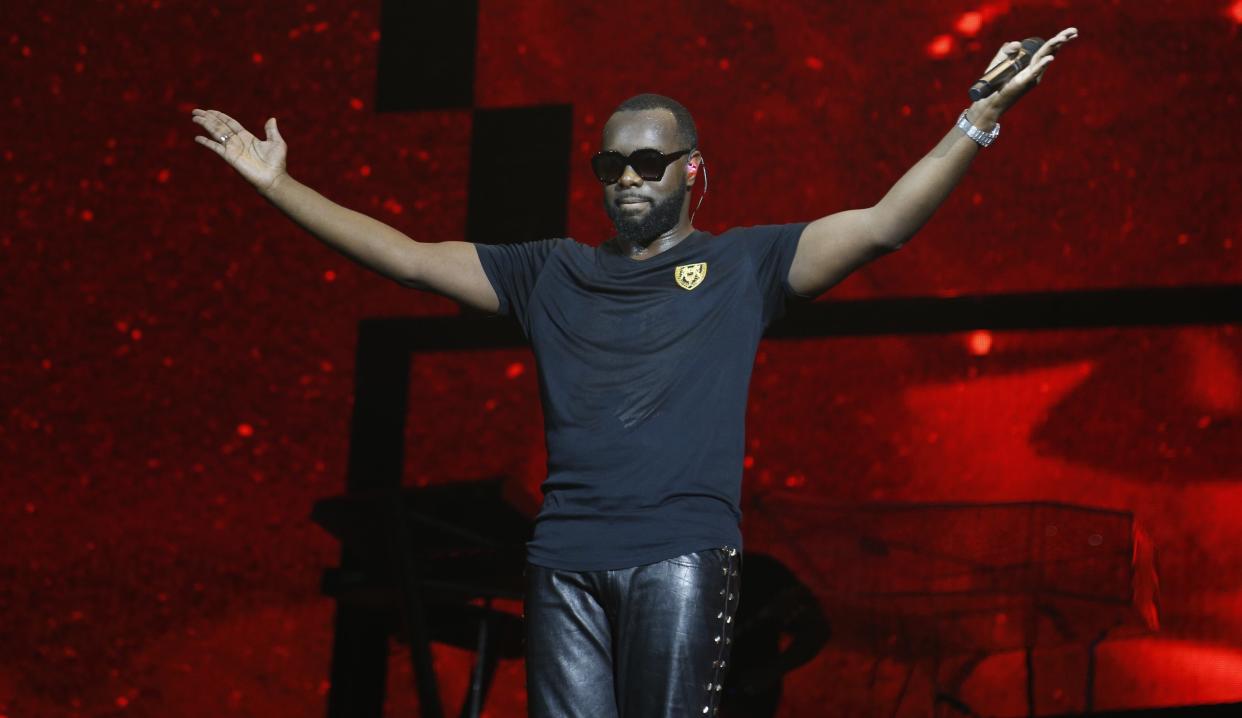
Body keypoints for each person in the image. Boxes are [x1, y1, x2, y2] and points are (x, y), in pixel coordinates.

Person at [191, 26, 1076, 717]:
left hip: (681, 560)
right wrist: (280, 187)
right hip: (564, 559)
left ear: (693, 171)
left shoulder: (745, 266)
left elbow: (884, 223)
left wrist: (980, 116)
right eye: (611, 165)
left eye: (648, 163)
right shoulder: (549, 271)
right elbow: (409, 257)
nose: (627, 180)